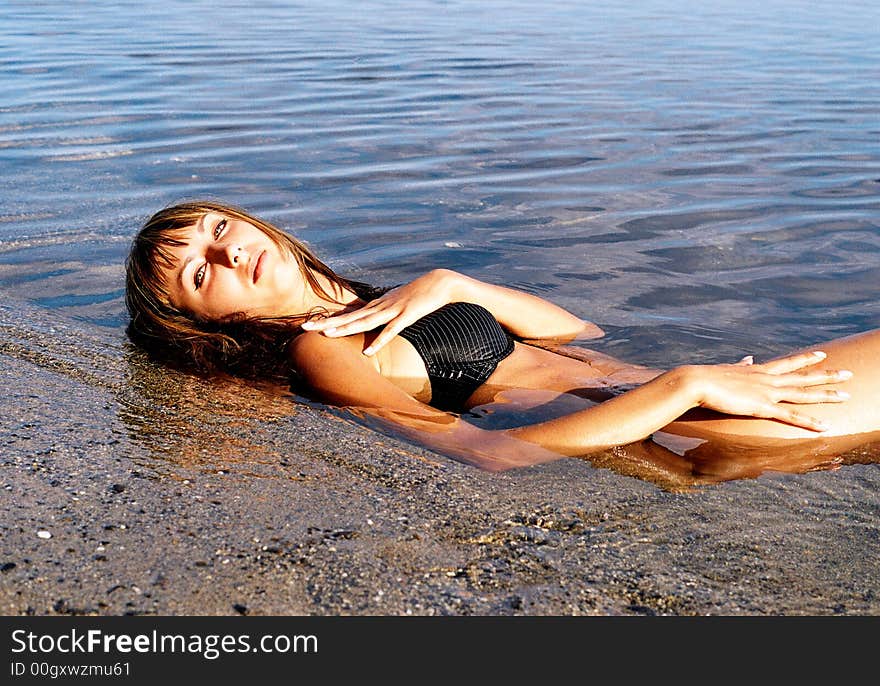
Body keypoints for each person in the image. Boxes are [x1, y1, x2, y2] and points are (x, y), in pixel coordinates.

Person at [124, 200, 880, 477]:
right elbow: (494, 454)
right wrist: (685, 384)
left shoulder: (370, 304)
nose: (227, 252)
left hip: (709, 402)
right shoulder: (318, 351)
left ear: (248, 219)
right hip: (697, 423)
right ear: (205, 320)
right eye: (199, 274)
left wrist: (459, 283)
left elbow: (581, 332)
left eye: (218, 230)